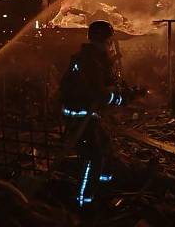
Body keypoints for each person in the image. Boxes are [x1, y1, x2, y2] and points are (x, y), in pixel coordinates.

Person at [59, 21, 141, 208]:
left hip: (87, 114)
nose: (111, 44)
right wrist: (122, 99)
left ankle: (104, 187)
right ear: (103, 39)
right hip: (80, 115)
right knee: (93, 157)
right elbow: (100, 94)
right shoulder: (90, 61)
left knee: (106, 148)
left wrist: (124, 92)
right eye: (109, 40)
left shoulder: (93, 58)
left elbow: (106, 85)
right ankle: (84, 202)